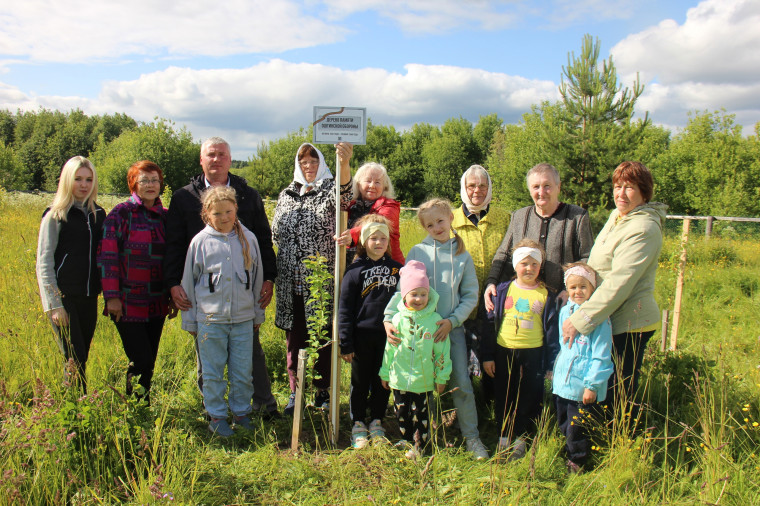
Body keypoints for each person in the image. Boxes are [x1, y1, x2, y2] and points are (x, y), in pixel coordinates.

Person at [164, 137, 279, 419]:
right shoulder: (183, 197)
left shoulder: (247, 194)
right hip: (206, 297)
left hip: (242, 294)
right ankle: (213, 411)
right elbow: (175, 245)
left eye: (222, 155)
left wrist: (269, 278)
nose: (216, 159)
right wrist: (173, 283)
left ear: (230, 159)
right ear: (201, 161)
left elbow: (263, 239)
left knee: (250, 352)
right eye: (210, 155)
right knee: (208, 357)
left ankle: (262, 405)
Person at [383, 198, 489, 460]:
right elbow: (403, 290)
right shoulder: (418, 252)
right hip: (418, 333)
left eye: (440, 220)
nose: (436, 227)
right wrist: (388, 318)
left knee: (461, 383)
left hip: (450, 331)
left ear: (451, 218)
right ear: (424, 227)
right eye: (430, 224)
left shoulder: (462, 255)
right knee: (423, 386)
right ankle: (421, 439)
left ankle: (472, 438)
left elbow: (470, 295)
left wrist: (453, 321)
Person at [561, 162, 667, 423]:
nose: (621, 193)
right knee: (601, 384)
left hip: (629, 321)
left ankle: (620, 443)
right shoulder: (618, 217)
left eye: (629, 188)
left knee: (618, 388)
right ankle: (599, 438)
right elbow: (599, 267)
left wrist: (582, 318)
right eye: (617, 187)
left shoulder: (643, 228)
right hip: (606, 316)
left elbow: (619, 282)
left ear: (644, 193)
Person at [272, 142, 353, 415]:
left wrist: (345, 161)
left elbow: (345, 195)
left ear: (322, 163)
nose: (308, 166)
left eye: (314, 161)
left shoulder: (330, 190)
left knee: (321, 337)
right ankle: (296, 394)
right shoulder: (286, 194)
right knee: (294, 342)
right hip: (289, 284)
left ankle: (322, 393)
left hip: (319, 284)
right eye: (304, 161)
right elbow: (275, 234)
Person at [180, 186, 265, 437]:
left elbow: (257, 279)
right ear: (207, 213)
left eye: (228, 211)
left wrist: (257, 315)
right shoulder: (200, 242)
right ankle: (216, 415)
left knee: (242, 371)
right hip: (210, 320)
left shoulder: (248, 239)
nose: (224, 218)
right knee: (213, 371)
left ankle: (241, 412)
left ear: (236, 209)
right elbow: (189, 282)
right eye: (217, 214)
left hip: (242, 320)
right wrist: (191, 320)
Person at [98, 161, 171, 403]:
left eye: (155, 180)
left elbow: (173, 259)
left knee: (150, 359)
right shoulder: (120, 214)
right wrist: (112, 297)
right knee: (141, 359)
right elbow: (107, 257)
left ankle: (142, 406)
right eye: (144, 180)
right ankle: (135, 407)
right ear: (133, 184)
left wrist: (172, 295)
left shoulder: (166, 217)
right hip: (127, 303)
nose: (151, 185)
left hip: (157, 302)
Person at [482, 239, 559, 460]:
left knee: (529, 397)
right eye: (524, 263)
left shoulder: (546, 295)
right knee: (504, 395)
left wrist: (551, 364)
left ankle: (522, 439)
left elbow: (552, 333)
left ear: (540, 267)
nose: (529, 269)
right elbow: (488, 325)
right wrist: (487, 356)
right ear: (515, 265)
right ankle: (504, 436)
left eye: (534, 264)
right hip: (504, 351)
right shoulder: (502, 291)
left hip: (533, 354)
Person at [36, 156, 106, 392]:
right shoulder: (55, 215)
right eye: (77, 179)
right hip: (64, 299)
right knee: (73, 357)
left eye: (88, 179)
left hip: (89, 298)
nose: (83, 185)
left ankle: (78, 407)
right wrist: (54, 305)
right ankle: (75, 410)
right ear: (67, 180)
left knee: (82, 354)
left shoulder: (98, 214)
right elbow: (44, 263)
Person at [484, 163, 593, 311]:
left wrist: (569, 290)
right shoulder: (519, 217)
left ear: (558, 187)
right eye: (536, 187)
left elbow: (587, 258)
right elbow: (504, 254)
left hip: (561, 303)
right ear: (529, 190)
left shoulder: (577, 217)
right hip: (523, 304)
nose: (541, 192)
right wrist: (492, 282)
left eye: (547, 185)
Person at [338, 216, 402, 448]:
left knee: (382, 380)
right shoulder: (354, 271)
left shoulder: (397, 270)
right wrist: (346, 342)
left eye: (383, 238)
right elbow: (344, 308)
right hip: (361, 336)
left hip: (388, 337)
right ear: (364, 241)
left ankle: (377, 420)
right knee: (360, 381)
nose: (379, 242)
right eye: (374, 238)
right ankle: (357, 423)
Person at [379, 260, 450, 460]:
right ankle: (406, 439)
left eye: (423, 294)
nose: (419, 299)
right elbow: (389, 349)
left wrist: (441, 377)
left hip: (424, 380)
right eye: (414, 294)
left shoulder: (434, 320)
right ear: (404, 296)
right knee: (401, 412)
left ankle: (420, 444)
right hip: (399, 379)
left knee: (421, 414)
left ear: (429, 295)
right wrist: (385, 373)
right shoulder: (398, 320)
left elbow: (442, 352)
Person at [451, 164, 509, 403]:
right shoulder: (450, 218)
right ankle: (459, 404)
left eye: (482, 185)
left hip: (494, 302)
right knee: (460, 355)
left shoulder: (504, 218)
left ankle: (491, 406)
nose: (477, 190)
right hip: (460, 301)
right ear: (464, 188)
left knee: (491, 353)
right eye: (471, 185)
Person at [553, 262, 613, 473]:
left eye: (583, 287)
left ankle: (578, 461)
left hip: (582, 386)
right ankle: (568, 451)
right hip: (563, 384)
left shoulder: (598, 319)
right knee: (563, 421)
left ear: (592, 288)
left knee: (578, 427)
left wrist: (592, 385)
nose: (578, 291)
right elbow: (563, 347)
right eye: (573, 287)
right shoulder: (565, 311)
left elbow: (601, 355)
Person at [337, 162, 404, 264]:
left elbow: (377, 225)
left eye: (377, 182)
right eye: (368, 181)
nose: (372, 186)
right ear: (358, 184)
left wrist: (351, 236)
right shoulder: (350, 205)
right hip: (353, 266)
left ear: (384, 187)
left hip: (385, 266)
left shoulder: (390, 206)